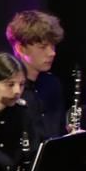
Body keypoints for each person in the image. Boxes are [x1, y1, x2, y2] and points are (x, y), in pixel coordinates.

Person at [6, 9, 68, 140]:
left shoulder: (53, 84)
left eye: (53, 46)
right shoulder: (8, 91)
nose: (52, 53)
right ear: (21, 48)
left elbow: (58, 133)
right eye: (43, 47)